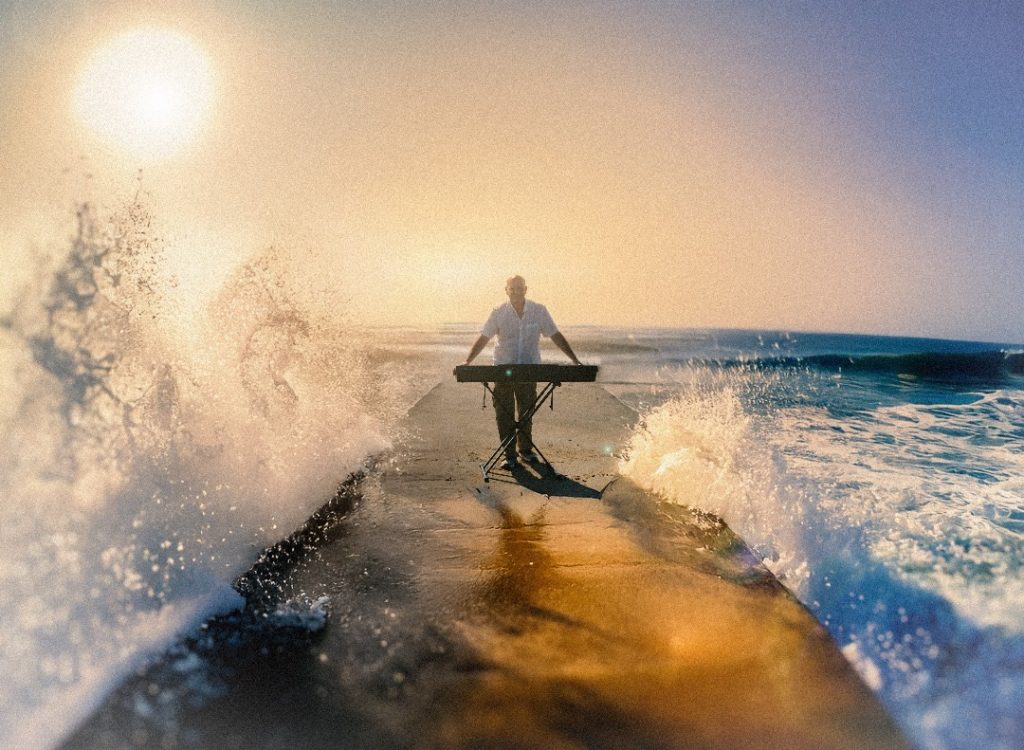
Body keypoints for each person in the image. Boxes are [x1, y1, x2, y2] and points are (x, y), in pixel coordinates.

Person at [464, 275, 582, 469]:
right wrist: (468, 361)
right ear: (506, 290)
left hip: (529, 369)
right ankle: (509, 455)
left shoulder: (539, 311)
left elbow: (555, 335)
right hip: (502, 369)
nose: (516, 292)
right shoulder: (498, 312)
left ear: (526, 289)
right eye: (513, 289)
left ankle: (525, 451)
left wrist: (574, 359)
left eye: (520, 288)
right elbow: (484, 337)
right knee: (504, 414)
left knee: (527, 412)